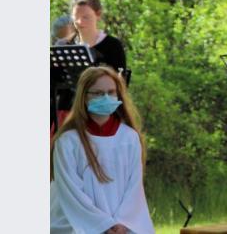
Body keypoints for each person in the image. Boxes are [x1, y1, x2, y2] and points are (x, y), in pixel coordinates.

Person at [50, 66, 154, 233]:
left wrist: (121, 222)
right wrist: (103, 225)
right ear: (84, 97)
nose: (106, 97)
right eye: (97, 93)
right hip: (77, 222)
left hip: (122, 224)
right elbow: (71, 192)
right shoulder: (68, 141)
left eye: (111, 92)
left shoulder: (129, 138)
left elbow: (134, 187)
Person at [53, 0, 128, 132]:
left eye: (86, 17)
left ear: (98, 14)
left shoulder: (112, 46)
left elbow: (119, 86)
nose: (80, 22)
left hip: (100, 115)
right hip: (67, 115)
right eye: (76, 17)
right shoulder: (62, 45)